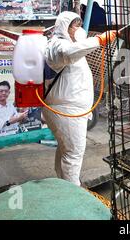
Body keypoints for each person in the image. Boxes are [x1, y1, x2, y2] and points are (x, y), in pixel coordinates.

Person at [43, 11, 117, 186]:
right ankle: (74, 196)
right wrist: (99, 41)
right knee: (73, 154)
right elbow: (69, 53)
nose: (79, 29)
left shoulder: (70, 44)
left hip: (71, 109)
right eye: (75, 26)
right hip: (65, 110)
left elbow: (76, 51)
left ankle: (63, 185)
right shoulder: (57, 46)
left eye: (79, 24)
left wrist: (94, 41)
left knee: (66, 150)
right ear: (64, 27)